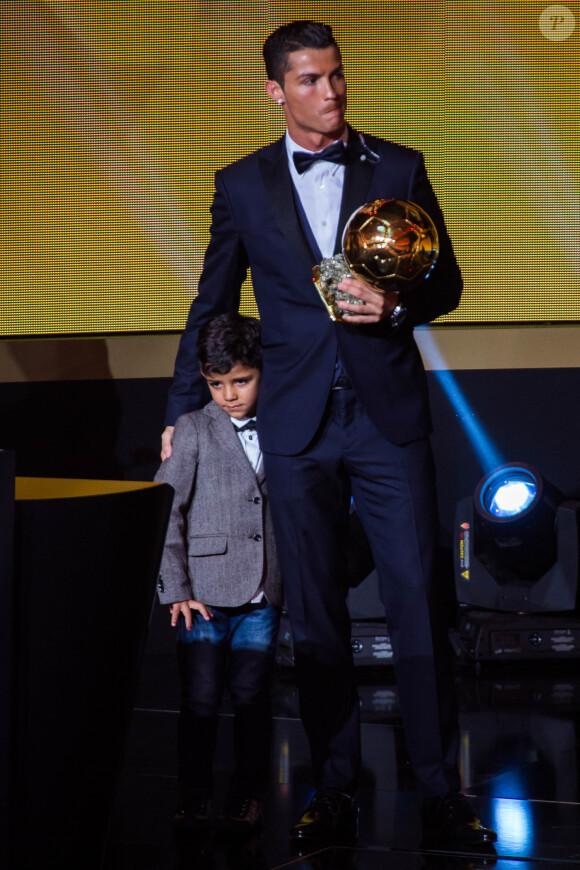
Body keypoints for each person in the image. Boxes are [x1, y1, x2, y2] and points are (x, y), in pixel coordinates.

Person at [161, 20, 497, 850]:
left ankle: (437, 788)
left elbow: (446, 282)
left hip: (385, 419)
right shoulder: (241, 185)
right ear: (276, 90)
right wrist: (179, 412)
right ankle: (335, 785)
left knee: (418, 601)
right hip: (297, 425)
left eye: (337, 76)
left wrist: (399, 306)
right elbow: (212, 305)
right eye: (311, 80)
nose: (332, 92)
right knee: (314, 615)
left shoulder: (398, 165)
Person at [155, 312, 283, 837]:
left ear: (262, 372)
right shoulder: (192, 429)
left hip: (263, 592)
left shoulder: (285, 423)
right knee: (201, 700)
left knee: (254, 701)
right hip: (203, 594)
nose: (229, 394)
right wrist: (175, 589)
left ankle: (247, 795)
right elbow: (167, 508)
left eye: (241, 381)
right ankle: (194, 794)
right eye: (216, 383)